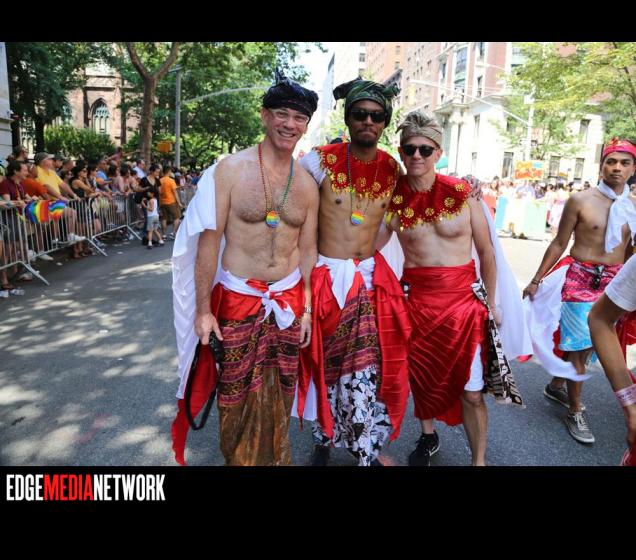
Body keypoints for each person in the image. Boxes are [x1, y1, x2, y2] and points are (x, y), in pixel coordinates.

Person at [170, 70, 319, 466]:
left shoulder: (307, 185)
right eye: (282, 114)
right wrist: (203, 310)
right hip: (239, 298)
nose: (289, 124)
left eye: (299, 117)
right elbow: (209, 242)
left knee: (282, 388)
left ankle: (276, 459)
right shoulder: (230, 171)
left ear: (306, 126)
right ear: (265, 115)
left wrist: (307, 308)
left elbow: (308, 250)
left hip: (288, 302)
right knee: (234, 391)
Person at [382, 111, 527, 466]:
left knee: (472, 392)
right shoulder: (391, 199)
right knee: (422, 378)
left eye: (425, 149)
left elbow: (486, 252)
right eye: (409, 149)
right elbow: (370, 244)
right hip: (416, 305)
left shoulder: (464, 193)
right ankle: (428, 435)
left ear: (438, 152)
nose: (417, 155)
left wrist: (492, 302)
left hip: (463, 308)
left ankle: (479, 461)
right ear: (401, 152)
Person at [297, 77, 412, 466]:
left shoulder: (392, 169)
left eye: (376, 116)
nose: (368, 121)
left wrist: (468, 187)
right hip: (328, 279)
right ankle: (324, 437)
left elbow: (417, 201)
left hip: (369, 282)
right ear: (348, 118)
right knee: (325, 364)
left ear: (385, 123)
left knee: (366, 368)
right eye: (360, 114)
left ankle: (365, 449)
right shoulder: (319, 160)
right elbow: (290, 203)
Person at [523, 138, 636, 445]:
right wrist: (536, 279)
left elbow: (630, 251)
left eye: (624, 163)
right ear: (601, 166)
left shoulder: (633, 206)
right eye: (611, 162)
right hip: (579, 279)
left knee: (589, 347)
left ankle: (556, 386)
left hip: (614, 283)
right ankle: (575, 409)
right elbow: (560, 242)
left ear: (633, 169)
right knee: (580, 345)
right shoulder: (580, 200)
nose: (617, 168)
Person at [589, 256, 636, 465]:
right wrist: (630, 407)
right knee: (576, 352)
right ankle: (571, 402)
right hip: (587, 280)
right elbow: (600, 318)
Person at [159, 166, 183, 240]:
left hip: (162, 202)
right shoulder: (171, 181)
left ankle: (164, 235)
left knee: (164, 218)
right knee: (177, 217)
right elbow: (175, 193)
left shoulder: (159, 180)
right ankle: (173, 233)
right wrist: (179, 202)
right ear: (169, 171)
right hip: (171, 201)